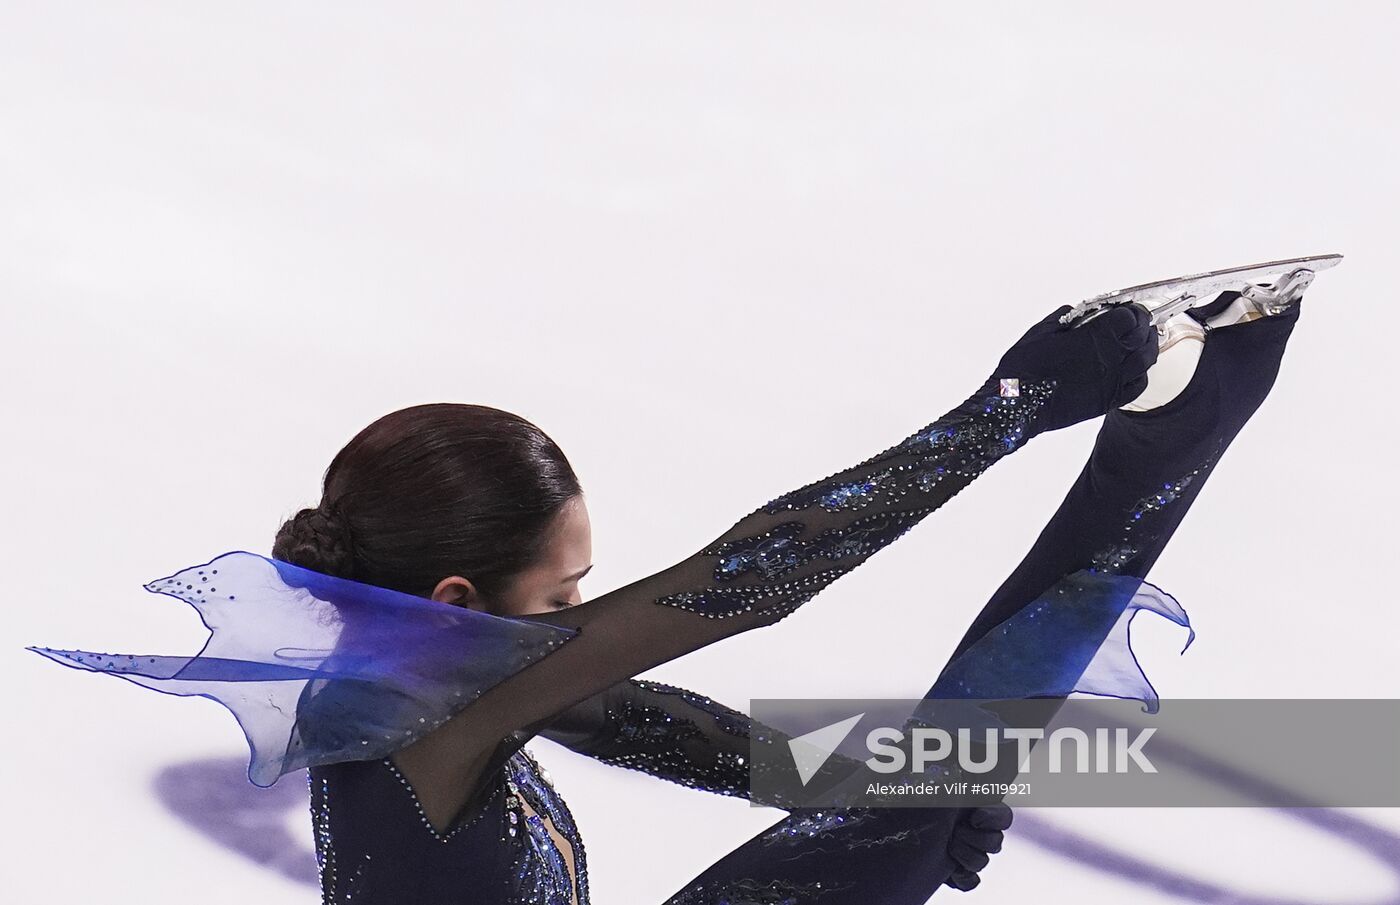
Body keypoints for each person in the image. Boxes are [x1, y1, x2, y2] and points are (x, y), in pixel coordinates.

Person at [35, 290, 1305, 903]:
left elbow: (686, 735)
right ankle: (1165, 447)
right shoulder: (424, 712)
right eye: (571, 586)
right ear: (461, 591)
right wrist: (1004, 411)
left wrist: (895, 796)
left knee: (921, 777)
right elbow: (747, 580)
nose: (591, 607)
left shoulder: (445, 675)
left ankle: (1164, 448)